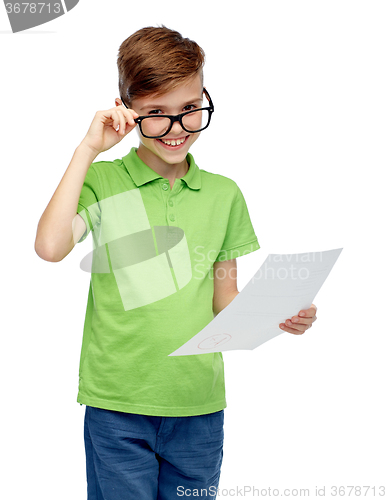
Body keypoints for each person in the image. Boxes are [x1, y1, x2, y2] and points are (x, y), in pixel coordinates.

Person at [35, 25, 317, 500]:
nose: (177, 128)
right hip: (117, 406)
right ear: (126, 110)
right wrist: (86, 149)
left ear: (204, 97)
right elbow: (50, 247)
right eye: (156, 114)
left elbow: (224, 300)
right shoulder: (103, 181)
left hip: (198, 407)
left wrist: (277, 314)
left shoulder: (224, 194)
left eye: (189, 109)